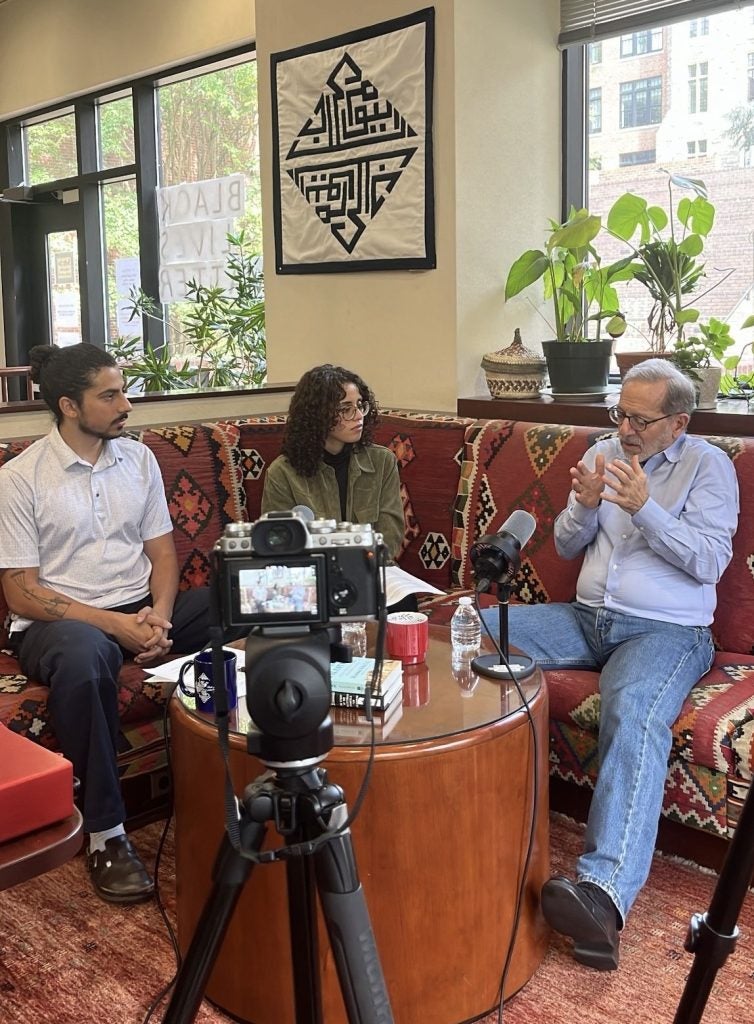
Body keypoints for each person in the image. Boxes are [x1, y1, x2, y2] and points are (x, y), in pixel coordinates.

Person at [482, 359, 739, 970]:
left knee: (633, 711)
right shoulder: (601, 451)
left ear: (677, 423)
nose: (625, 428)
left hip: (666, 631)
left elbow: (709, 562)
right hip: (585, 616)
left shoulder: (710, 467)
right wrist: (584, 505)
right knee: (473, 633)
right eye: (619, 413)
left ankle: (602, 897)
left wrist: (647, 508)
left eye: (640, 420)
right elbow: (570, 545)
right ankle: (463, 809)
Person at [0, 343, 211, 905]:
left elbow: (163, 555)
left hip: (140, 608)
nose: (126, 405)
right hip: (61, 623)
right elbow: (21, 590)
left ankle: (236, 780)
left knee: (237, 603)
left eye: (124, 391)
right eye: (110, 395)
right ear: (69, 405)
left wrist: (159, 618)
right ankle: (107, 834)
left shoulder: (138, 458)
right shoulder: (21, 478)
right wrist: (115, 627)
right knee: (83, 657)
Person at [261, 363, 405, 561]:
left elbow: (390, 538)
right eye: (346, 409)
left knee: (410, 593)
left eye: (360, 405)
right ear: (318, 415)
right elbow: (280, 544)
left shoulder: (382, 461)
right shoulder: (282, 472)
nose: (359, 415)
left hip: (373, 571)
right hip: (313, 578)